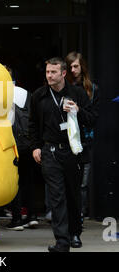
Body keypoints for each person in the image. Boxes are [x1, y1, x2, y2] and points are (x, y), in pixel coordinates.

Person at [29, 57, 96, 252]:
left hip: (72, 151)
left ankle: (75, 232)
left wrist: (78, 110)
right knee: (57, 196)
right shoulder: (39, 95)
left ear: (63, 74)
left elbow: (92, 119)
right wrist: (35, 146)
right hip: (49, 151)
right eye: (47, 72)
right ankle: (62, 241)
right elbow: (32, 124)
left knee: (73, 195)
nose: (49, 75)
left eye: (53, 72)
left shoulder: (77, 93)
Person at [65, 52, 99, 220]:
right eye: (70, 66)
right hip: (65, 137)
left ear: (82, 66)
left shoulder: (91, 88)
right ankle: (65, 213)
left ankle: (79, 213)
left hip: (85, 138)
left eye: (76, 66)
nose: (73, 70)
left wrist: (79, 110)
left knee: (83, 183)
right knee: (65, 180)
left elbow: (94, 116)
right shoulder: (63, 86)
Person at [5, 66, 39, 231]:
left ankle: (17, 218)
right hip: (27, 143)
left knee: (13, 181)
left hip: (10, 144)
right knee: (28, 180)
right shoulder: (26, 93)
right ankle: (32, 216)